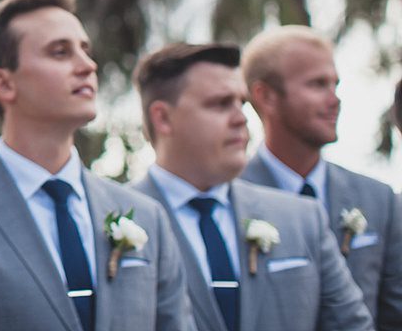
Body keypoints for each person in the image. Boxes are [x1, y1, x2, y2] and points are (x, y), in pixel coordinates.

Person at [0, 0, 193, 331]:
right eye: (60, 52)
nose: (88, 65)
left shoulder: (148, 218)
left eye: (85, 49)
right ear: (3, 83)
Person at [131, 42, 373, 331]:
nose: (241, 118)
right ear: (163, 118)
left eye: (241, 103)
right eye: (220, 104)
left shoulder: (302, 219)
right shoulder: (120, 221)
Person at [239, 25, 402, 329]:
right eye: (317, 84)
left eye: (335, 84)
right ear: (265, 96)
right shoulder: (231, 200)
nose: (334, 99)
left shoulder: (379, 200)